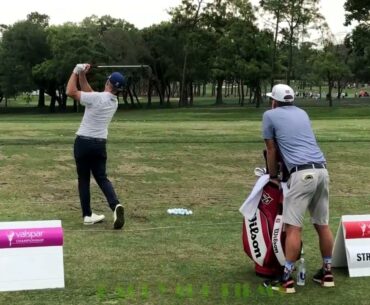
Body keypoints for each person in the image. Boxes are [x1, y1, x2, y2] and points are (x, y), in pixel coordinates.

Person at [261, 84, 334, 293]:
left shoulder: (270, 115)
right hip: (322, 170)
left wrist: (273, 176)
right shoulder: (303, 112)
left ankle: (286, 279)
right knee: (322, 224)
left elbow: (271, 148)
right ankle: (327, 273)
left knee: (293, 227)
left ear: (274, 101)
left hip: (301, 175)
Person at [66, 63, 125, 229]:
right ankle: (115, 206)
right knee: (101, 177)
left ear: (108, 83)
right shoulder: (113, 102)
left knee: (83, 179)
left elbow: (71, 91)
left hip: (83, 142)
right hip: (99, 145)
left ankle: (87, 215)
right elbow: (89, 93)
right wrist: (83, 75)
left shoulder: (97, 98)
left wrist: (75, 71)